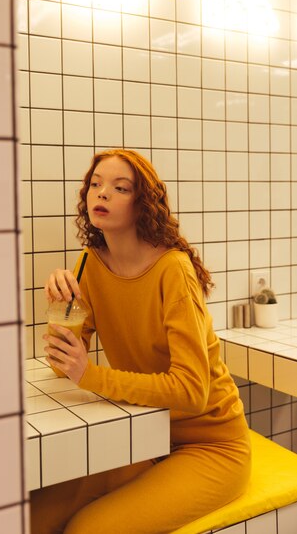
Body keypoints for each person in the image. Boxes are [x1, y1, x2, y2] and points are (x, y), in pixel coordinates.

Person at [32, 148, 251, 534]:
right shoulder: (89, 263)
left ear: (143, 204)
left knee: (88, 530)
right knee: (35, 515)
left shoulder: (173, 270)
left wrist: (92, 376)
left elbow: (192, 392)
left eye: (120, 187)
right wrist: (61, 306)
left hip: (211, 444)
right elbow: (61, 362)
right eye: (95, 185)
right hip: (142, 432)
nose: (102, 194)